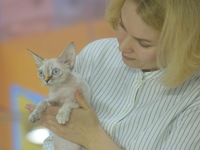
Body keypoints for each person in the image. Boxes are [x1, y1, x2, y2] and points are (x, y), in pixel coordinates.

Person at [26, 0, 200, 149]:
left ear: (182, 44)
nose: (122, 47)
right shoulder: (96, 54)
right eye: (122, 25)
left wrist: (94, 137)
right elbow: (52, 140)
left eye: (143, 43)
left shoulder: (194, 100)